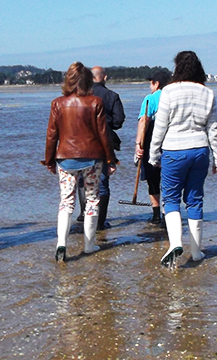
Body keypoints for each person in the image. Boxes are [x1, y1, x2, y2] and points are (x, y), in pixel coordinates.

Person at [148, 51, 217, 267]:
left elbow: (160, 127)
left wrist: (154, 155)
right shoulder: (207, 93)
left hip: (174, 149)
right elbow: (213, 129)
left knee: (170, 198)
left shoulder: (169, 91)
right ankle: (197, 252)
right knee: (195, 198)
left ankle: (175, 244)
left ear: (177, 68)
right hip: (200, 149)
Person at [42, 62, 118, 261]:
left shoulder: (58, 103)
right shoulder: (95, 102)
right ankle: (89, 245)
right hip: (92, 158)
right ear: (87, 81)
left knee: (66, 202)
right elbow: (104, 134)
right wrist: (111, 160)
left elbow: (51, 135)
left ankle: (61, 244)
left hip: (65, 158)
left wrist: (49, 160)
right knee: (92, 199)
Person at [87, 66, 125, 230]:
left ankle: (84, 215)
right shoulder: (112, 96)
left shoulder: (83, 96)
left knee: (84, 181)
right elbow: (119, 121)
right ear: (105, 77)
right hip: (104, 142)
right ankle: (100, 223)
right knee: (102, 183)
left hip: (84, 141)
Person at [134, 69, 170, 225]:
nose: (150, 85)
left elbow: (143, 121)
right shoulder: (172, 97)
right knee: (169, 179)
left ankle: (156, 215)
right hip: (171, 142)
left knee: (153, 178)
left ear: (157, 84)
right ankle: (167, 212)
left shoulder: (150, 99)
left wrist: (138, 144)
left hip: (152, 142)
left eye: (151, 82)